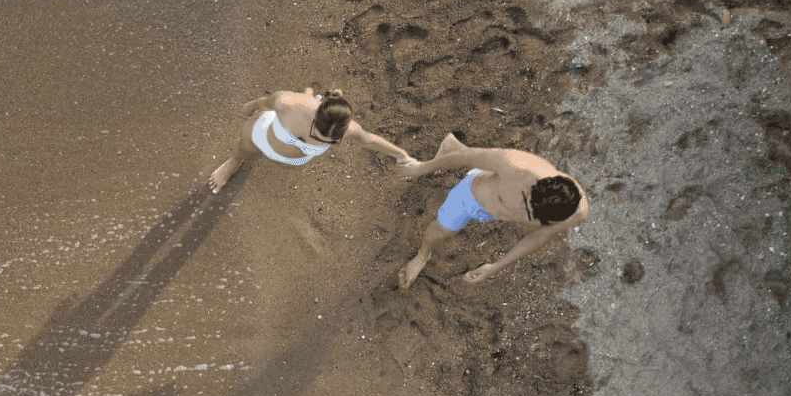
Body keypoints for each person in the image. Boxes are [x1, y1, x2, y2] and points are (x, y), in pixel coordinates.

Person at [396, 133, 589, 288]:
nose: (522, 208)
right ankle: (423, 255)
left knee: (477, 159)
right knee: (443, 230)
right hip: (471, 197)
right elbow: (466, 158)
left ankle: (451, 145)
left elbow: (540, 236)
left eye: (531, 214)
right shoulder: (517, 165)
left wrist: (495, 267)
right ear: (535, 185)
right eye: (525, 199)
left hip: (492, 211)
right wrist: (421, 168)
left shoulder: (575, 215)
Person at [207, 88, 414, 192]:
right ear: (314, 117)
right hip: (262, 134)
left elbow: (369, 141)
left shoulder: (350, 130)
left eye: (331, 141)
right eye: (317, 135)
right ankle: (233, 163)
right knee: (243, 148)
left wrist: (401, 154)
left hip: (290, 158)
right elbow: (262, 102)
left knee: (284, 162)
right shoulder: (286, 103)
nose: (320, 141)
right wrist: (250, 108)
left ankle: (309, 93)